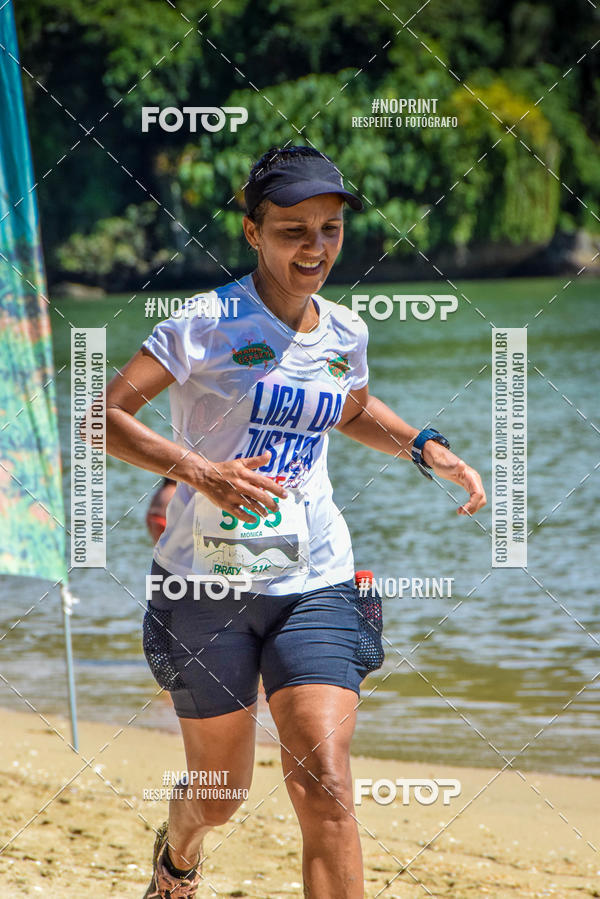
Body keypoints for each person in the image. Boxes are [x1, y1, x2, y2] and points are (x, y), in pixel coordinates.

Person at [103, 146, 486, 899]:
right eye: (293, 231)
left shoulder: (344, 332)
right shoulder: (205, 322)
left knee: (327, 783)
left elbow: (349, 407)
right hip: (204, 587)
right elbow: (106, 418)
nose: (314, 248)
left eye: (330, 229)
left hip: (316, 578)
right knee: (221, 794)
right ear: (253, 232)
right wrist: (200, 470)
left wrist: (422, 445)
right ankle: (179, 856)